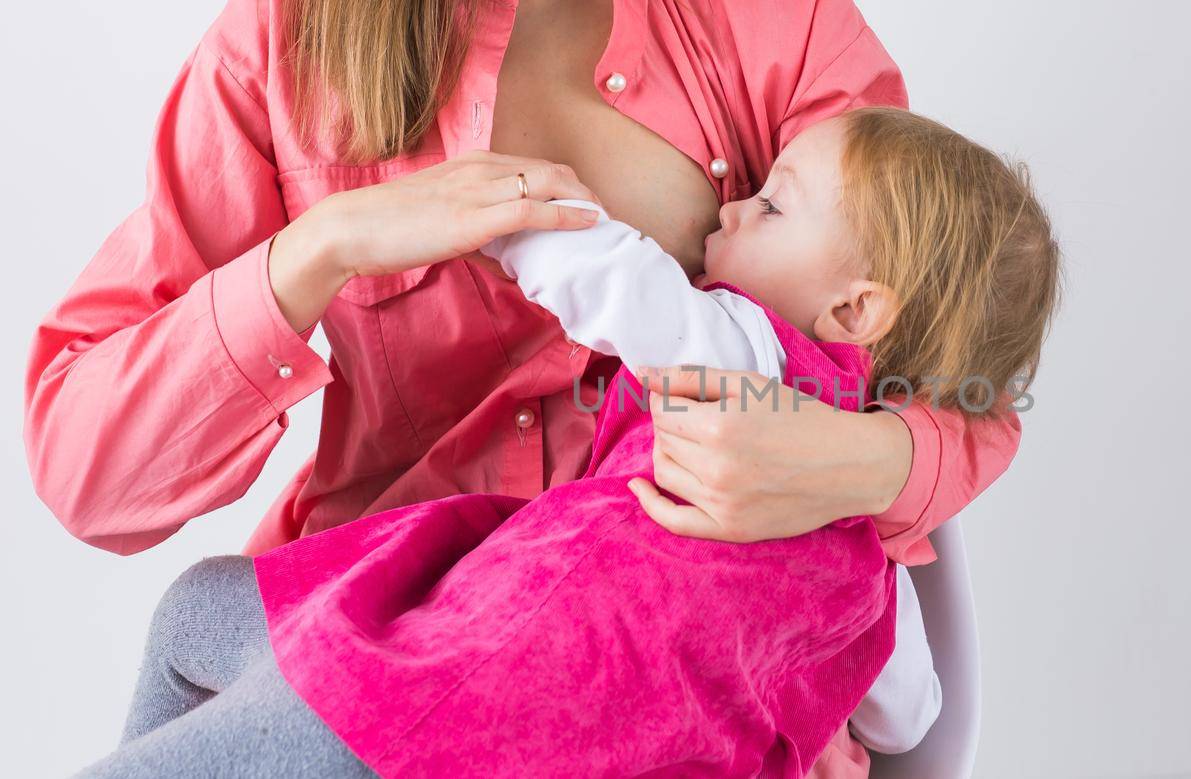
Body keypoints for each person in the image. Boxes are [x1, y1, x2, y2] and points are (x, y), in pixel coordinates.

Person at [24, 0, 1022, 772]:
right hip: (389, 627)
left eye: (761, 207)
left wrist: (858, 460)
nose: (743, 218)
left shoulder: (770, 21)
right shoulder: (284, 45)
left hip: (653, 704)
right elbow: (86, 471)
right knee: (204, 630)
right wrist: (318, 249)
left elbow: (958, 354)